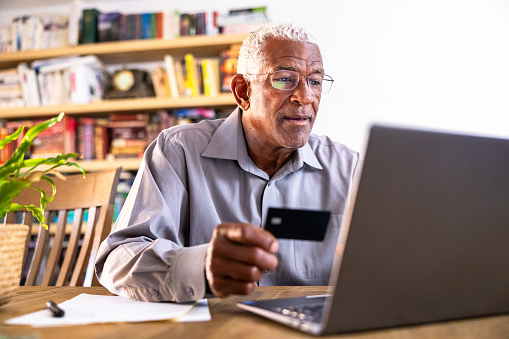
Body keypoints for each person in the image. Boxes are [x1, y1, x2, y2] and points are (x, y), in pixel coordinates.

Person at [95, 21, 360, 303]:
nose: (305, 97)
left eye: (315, 81)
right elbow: (117, 258)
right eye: (284, 79)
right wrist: (198, 268)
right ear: (243, 92)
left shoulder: (348, 167)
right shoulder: (178, 151)